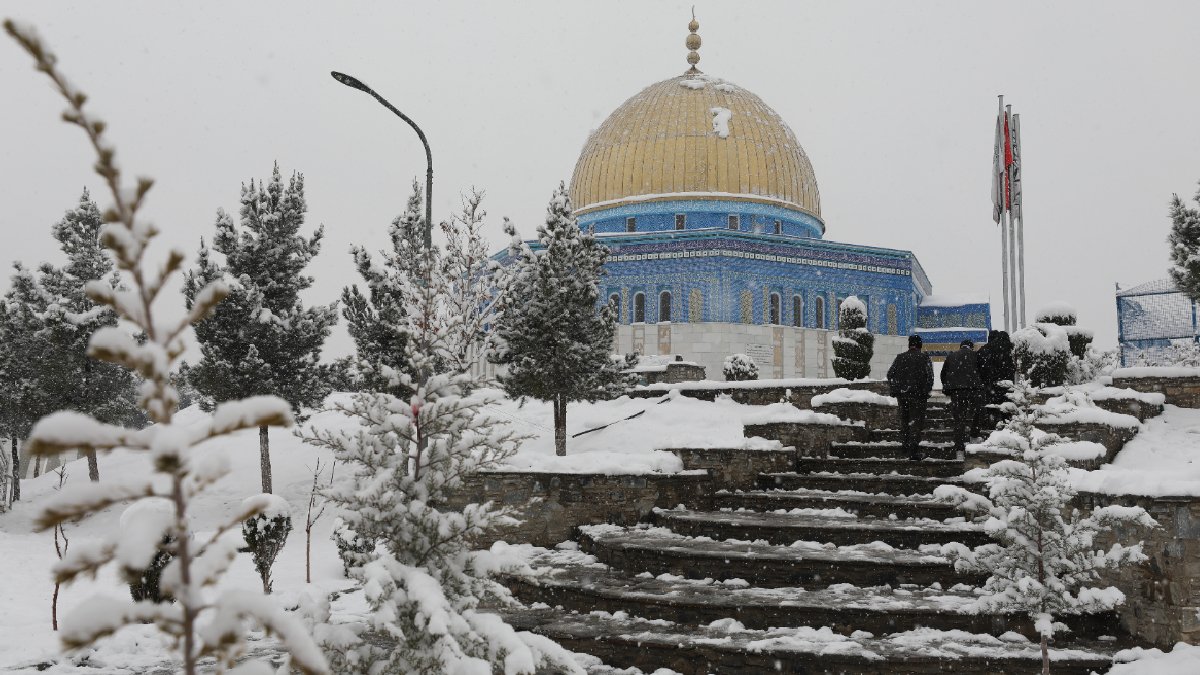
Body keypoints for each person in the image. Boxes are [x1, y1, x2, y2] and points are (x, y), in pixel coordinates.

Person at [887, 334, 934, 460]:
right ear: (920, 345)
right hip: (918, 395)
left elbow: (890, 374)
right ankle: (913, 451)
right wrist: (925, 391)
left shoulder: (900, 357)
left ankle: (905, 446)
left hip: (902, 395)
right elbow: (930, 377)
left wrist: (896, 389)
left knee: (905, 420)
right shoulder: (924, 357)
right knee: (916, 422)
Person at [940, 339, 984, 453]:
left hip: (957, 391)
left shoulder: (951, 356)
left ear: (961, 346)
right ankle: (974, 435)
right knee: (978, 412)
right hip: (974, 389)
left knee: (959, 419)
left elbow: (943, 374)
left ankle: (959, 447)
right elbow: (983, 372)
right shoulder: (976, 355)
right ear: (971, 347)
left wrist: (948, 388)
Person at [976, 330, 1016, 431]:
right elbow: (1012, 367)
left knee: (992, 405)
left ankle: (992, 423)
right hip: (1007, 383)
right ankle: (1007, 424)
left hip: (990, 383)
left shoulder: (986, 350)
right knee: (1006, 405)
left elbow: (981, 367)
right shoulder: (1009, 350)